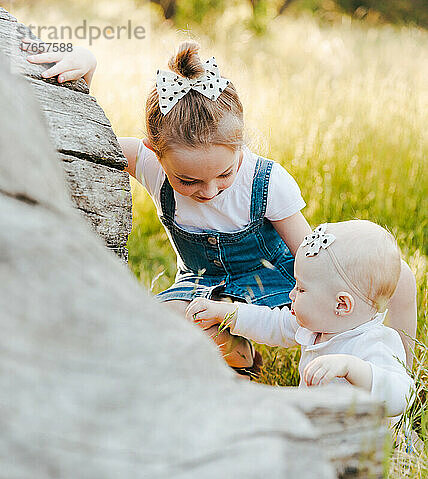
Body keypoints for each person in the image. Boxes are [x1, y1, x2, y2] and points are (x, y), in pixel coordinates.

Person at [23, 39, 417, 374]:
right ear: (154, 153)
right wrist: (86, 69)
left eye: (224, 175)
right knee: (157, 327)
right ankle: (239, 353)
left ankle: (397, 371)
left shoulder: (266, 181)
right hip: (202, 285)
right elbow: (86, 138)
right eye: (188, 181)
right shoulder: (147, 163)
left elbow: (309, 256)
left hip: (276, 287)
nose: (209, 191)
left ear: (241, 144)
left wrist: (335, 294)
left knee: (396, 275)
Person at [185, 221, 414, 417]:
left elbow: (403, 396)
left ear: (341, 304)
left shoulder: (375, 342)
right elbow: (270, 323)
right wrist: (225, 312)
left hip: (366, 445)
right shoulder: (318, 326)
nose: (291, 294)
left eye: (301, 289)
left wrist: (350, 367)